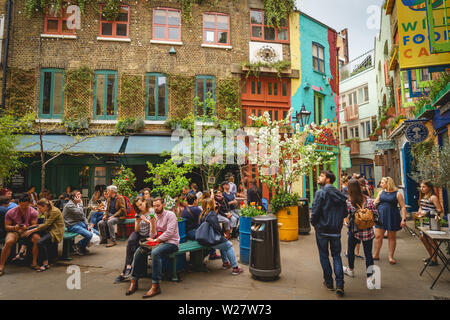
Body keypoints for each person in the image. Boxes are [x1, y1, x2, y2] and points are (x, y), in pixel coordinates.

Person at [126, 197, 179, 298]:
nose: (156, 208)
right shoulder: (154, 215)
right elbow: (152, 234)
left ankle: (156, 285)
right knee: (139, 250)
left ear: (163, 205)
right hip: (157, 242)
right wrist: (153, 224)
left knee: (155, 253)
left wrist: (156, 240)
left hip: (171, 242)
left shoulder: (170, 215)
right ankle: (134, 280)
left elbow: (170, 233)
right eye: (154, 206)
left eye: (158, 206)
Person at [311, 170, 347, 297]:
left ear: (327, 179)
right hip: (336, 230)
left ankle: (329, 282)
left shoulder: (320, 192)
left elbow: (315, 211)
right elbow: (345, 213)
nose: (319, 178)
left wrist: (314, 223)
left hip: (322, 230)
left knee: (324, 255)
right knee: (336, 256)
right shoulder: (340, 193)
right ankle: (340, 284)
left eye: (321, 176)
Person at [342, 179, 379, 279]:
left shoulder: (349, 202)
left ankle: (351, 270)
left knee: (350, 251)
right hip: (368, 232)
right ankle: (370, 276)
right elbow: (376, 215)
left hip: (354, 231)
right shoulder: (368, 200)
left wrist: (346, 222)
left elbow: (346, 215)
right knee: (368, 254)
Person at [198, 197, 243, 275]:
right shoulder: (211, 215)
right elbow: (217, 228)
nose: (216, 203)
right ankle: (235, 268)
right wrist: (223, 234)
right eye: (214, 202)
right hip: (211, 239)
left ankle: (226, 263)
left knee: (223, 242)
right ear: (212, 205)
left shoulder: (203, 214)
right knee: (229, 245)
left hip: (204, 238)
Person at [114, 196, 153, 283]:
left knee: (136, 246)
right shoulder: (138, 213)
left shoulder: (151, 212)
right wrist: (138, 222)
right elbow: (136, 230)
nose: (140, 207)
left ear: (145, 202)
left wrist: (146, 220)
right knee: (131, 241)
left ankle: (126, 272)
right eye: (137, 206)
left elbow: (155, 227)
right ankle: (128, 266)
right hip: (139, 234)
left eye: (140, 204)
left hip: (148, 235)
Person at [0, 194, 39, 276]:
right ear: (19, 203)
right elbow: (7, 227)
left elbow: (34, 225)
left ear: (29, 203)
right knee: (9, 242)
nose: (24, 207)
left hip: (28, 231)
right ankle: (1, 266)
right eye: (22, 205)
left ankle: (34, 262)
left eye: (26, 205)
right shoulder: (11, 212)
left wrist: (27, 228)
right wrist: (15, 227)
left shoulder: (33, 211)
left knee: (37, 239)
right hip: (15, 231)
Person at [22, 198, 65, 272]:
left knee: (40, 242)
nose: (39, 209)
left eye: (40, 208)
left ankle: (45, 263)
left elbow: (46, 225)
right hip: (48, 229)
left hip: (55, 231)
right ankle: (22, 251)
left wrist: (33, 229)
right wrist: (31, 228)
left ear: (45, 206)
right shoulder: (47, 210)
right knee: (28, 231)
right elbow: (44, 224)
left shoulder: (54, 211)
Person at [372, 177, 407, 264]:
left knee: (391, 237)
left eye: (382, 183)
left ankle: (391, 257)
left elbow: (403, 207)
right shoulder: (381, 192)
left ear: (388, 183)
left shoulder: (397, 194)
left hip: (392, 216)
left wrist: (403, 219)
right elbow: (375, 203)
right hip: (381, 216)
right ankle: (376, 254)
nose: (380, 184)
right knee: (377, 236)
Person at [182, 193, 220, 260]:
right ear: (194, 201)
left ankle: (211, 254)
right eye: (196, 200)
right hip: (194, 232)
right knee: (211, 234)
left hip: (187, 232)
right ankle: (210, 255)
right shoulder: (196, 209)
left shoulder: (184, 210)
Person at [63, 190, 99, 255]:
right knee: (89, 235)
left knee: (96, 233)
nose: (80, 195)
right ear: (73, 197)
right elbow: (80, 213)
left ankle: (81, 246)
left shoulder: (77, 204)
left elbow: (83, 216)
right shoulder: (70, 205)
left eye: (80, 194)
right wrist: (81, 203)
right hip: (71, 225)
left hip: (79, 223)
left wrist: (88, 225)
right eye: (78, 194)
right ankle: (79, 246)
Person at [416, 181, 443, 266]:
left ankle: (434, 259)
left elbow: (439, 210)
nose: (421, 188)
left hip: (432, 222)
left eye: (424, 187)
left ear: (429, 187)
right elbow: (421, 207)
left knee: (432, 240)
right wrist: (419, 211)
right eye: (421, 187)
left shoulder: (433, 197)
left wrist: (426, 213)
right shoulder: (423, 196)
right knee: (422, 238)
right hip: (423, 222)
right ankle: (431, 256)